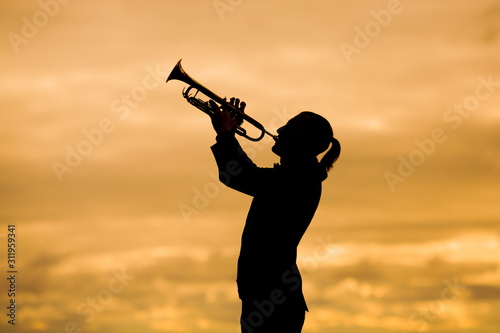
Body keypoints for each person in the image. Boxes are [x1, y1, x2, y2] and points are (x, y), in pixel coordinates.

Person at [208, 98, 341, 333]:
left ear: (306, 139)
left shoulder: (302, 176)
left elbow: (239, 176)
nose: (279, 130)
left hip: (271, 298)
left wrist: (226, 135)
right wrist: (228, 135)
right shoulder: (301, 173)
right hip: (268, 295)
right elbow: (246, 174)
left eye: (289, 127)